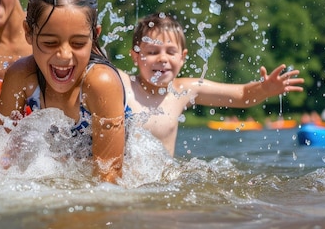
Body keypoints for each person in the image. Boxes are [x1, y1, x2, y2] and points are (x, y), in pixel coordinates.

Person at [0, 0, 128, 183]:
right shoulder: (21, 76)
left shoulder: (100, 84)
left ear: (95, 35)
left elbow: (110, 178)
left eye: (79, 43)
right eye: (50, 43)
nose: (64, 55)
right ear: (28, 32)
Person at [120, 12, 305, 157]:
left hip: (161, 187)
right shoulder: (123, 85)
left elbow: (242, 95)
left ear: (182, 58)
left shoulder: (182, 90)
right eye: (152, 52)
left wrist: (264, 89)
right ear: (136, 56)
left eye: (170, 52)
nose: (162, 59)